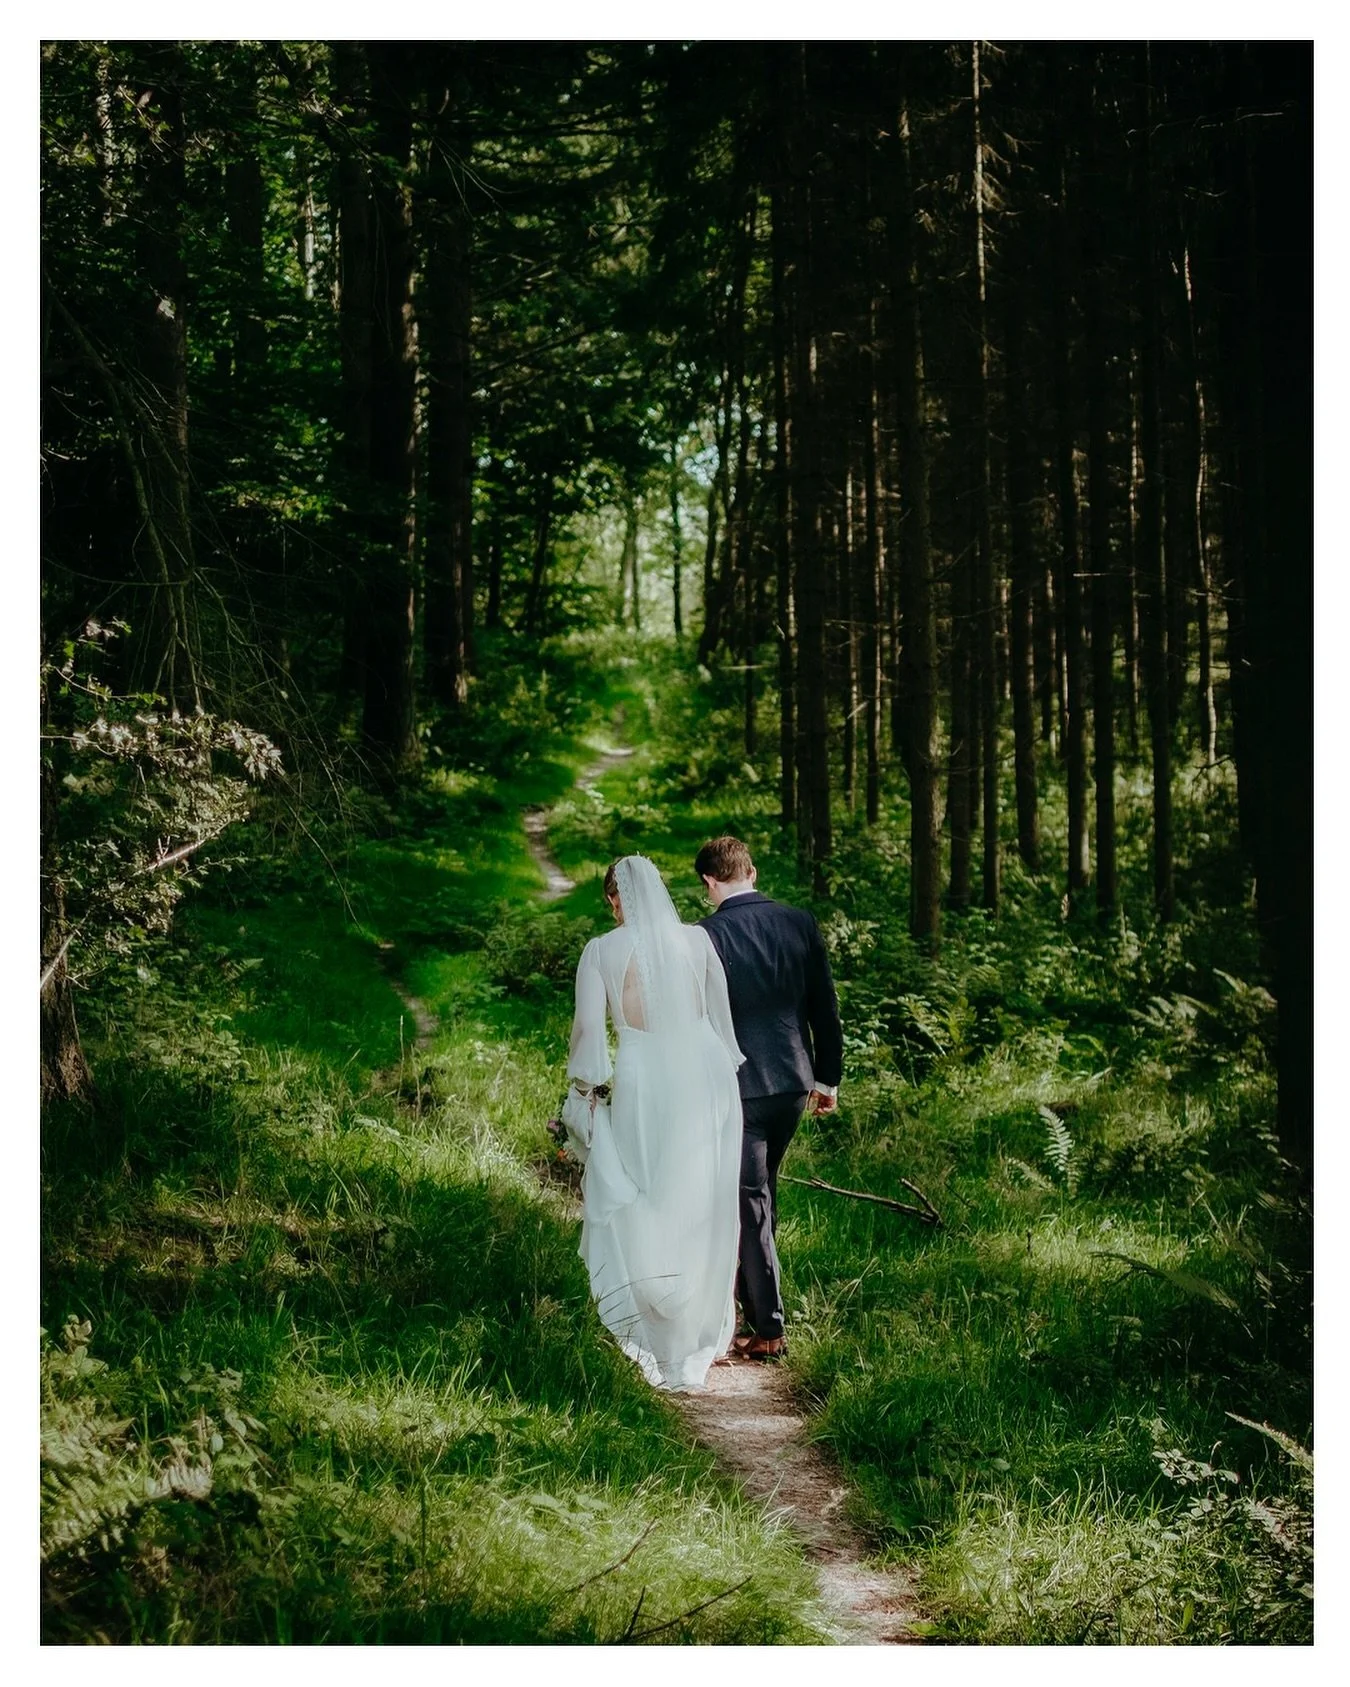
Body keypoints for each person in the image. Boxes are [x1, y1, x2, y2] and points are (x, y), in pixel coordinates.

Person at [566, 854, 746, 1391]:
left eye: (612, 901)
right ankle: (692, 1323)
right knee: (703, 1195)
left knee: (645, 1188)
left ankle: (652, 1318)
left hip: (644, 1073)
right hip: (707, 1072)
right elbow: (721, 1017)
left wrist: (586, 1088)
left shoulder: (601, 950)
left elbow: (588, 1031)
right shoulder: (697, 940)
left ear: (615, 898)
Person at [696, 836, 843, 1362]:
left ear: (709, 882)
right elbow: (824, 1006)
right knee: (759, 1193)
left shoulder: (704, 935)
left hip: (740, 1086)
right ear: (751, 872)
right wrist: (827, 1080)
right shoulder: (799, 921)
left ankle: (770, 1329)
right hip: (794, 1082)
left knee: (750, 1199)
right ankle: (749, 1305)